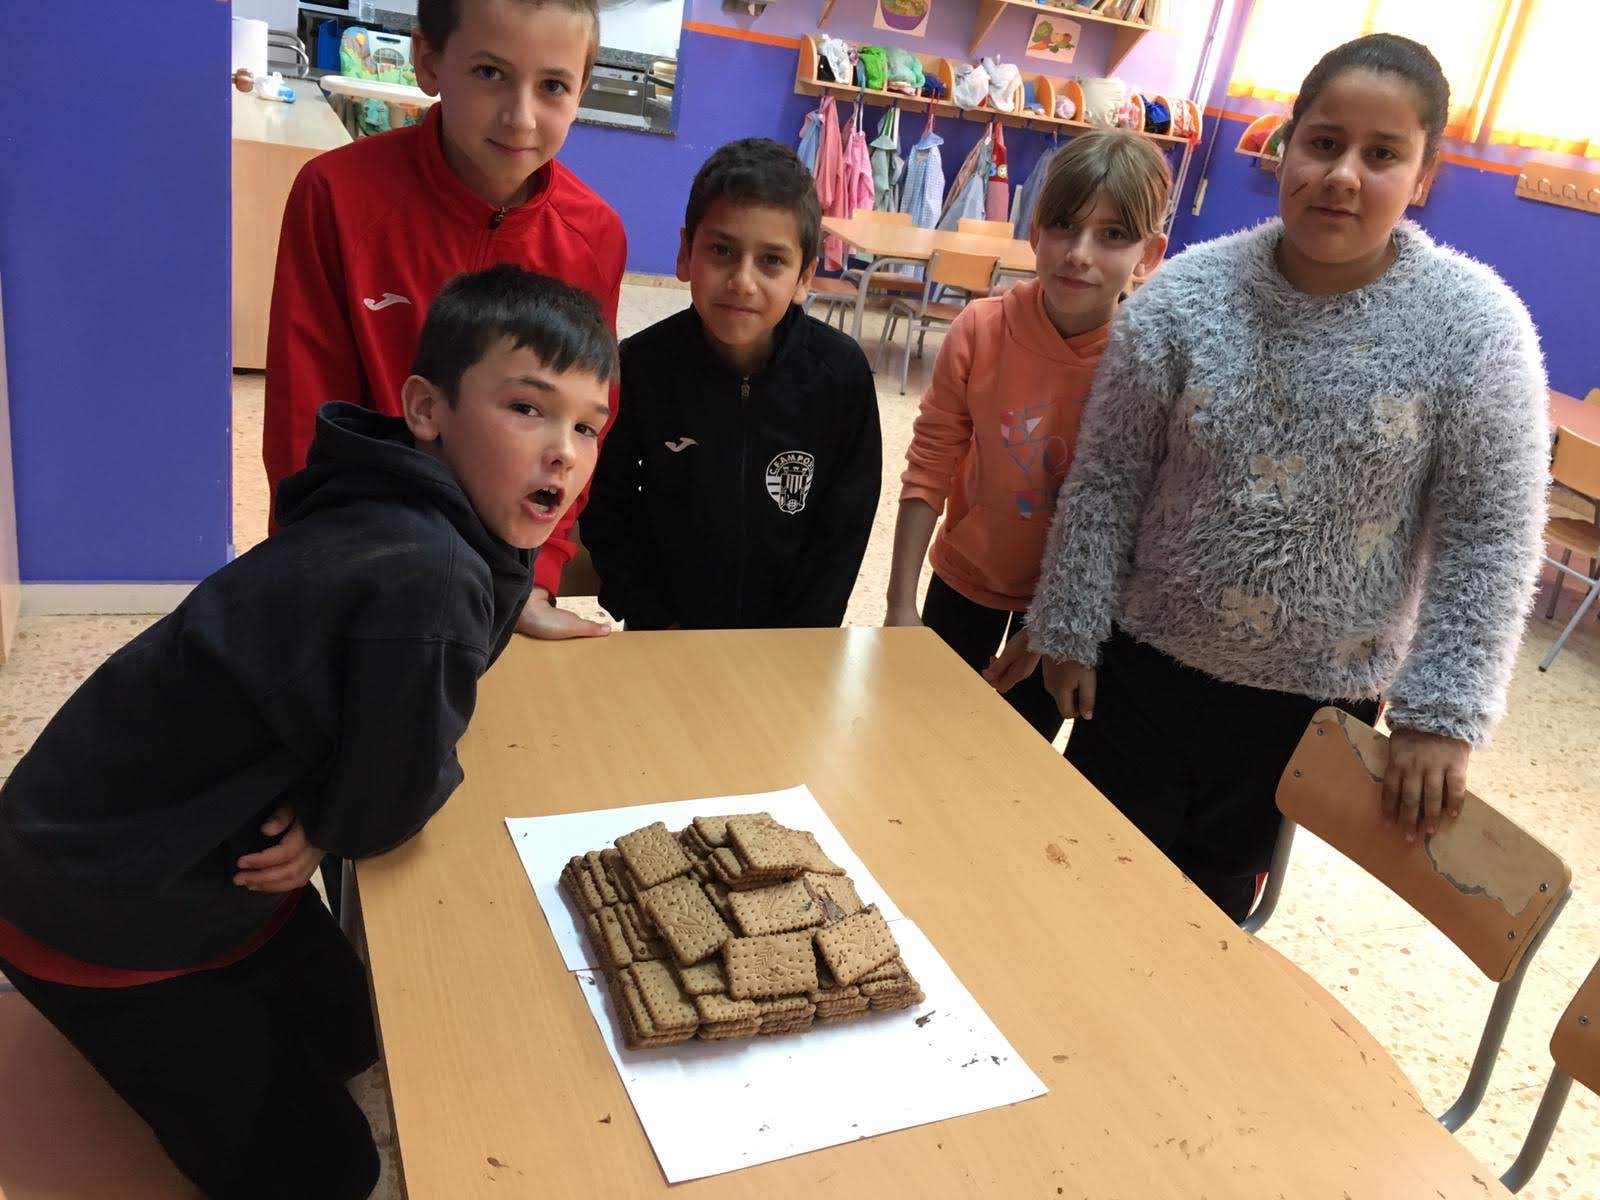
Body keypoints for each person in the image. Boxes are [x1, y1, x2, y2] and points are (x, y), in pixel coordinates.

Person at [0, 267, 617, 1198]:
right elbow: (382, 814)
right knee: (332, 1172)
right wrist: (334, 821)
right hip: (101, 900)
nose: (562, 454)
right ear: (426, 408)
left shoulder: (409, 498)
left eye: (587, 426)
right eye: (528, 409)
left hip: (141, 823)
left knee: (352, 1038)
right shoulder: (430, 575)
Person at [997, 34, 1549, 921]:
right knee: (1084, 881)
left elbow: (1491, 536)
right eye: (1324, 143)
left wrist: (1441, 712)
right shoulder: (1184, 299)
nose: (1342, 176)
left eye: (1382, 154)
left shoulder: (1479, 331)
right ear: (1285, 146)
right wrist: (1068, 625)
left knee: (1209, 916)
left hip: (1313, 703)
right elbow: (1107, 478)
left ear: (1424, 175)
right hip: (1144, 670)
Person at [264, 0, 624, 641]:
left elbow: (584, 416)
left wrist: (535, 577)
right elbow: (304, 414)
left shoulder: (595, 236)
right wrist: (320, 572)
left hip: (500, 582)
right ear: (428, 61)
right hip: (358, 564)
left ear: (582, 89)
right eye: (490, 73)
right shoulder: (336, 195)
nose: (520, 117)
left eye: (552, 85)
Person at [885, 131, 1171, 739]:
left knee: (1013, 752)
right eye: (1065, 226)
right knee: (917, 731)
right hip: (966, 578)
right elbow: (929, 464)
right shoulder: (980, 329)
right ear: (1036, 232)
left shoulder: (1147, 361)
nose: (1079, 254)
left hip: (1066, 605)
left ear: (1149, 254)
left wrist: (1053, 629)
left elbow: (1134, 514)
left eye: (1113, 234)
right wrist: (899, 604)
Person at [583, 138, 882, 629]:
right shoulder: (640, 367)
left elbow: (844, 530)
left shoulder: (841, 375)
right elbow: (606, 505)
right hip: (665, 637)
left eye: (771, 260)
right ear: (685, 253)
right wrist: (653, 618)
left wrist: (802, 637)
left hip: (790, 648)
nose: (743, 281)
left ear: (805, 277)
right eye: (722, 250)